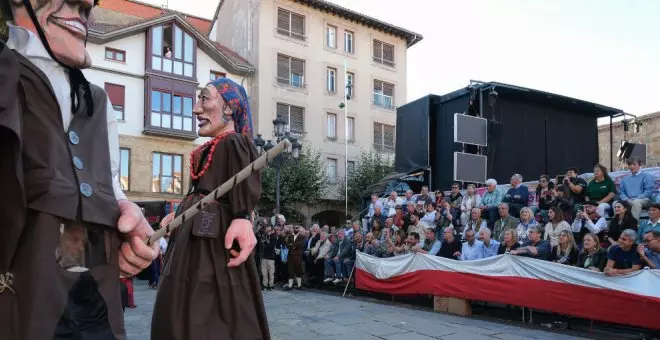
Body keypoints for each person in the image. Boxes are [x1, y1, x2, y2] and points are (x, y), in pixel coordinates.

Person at [0, 1, 158, 338]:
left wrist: (126, 216)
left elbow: (110, 186)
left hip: (93, 304)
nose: (87, 5)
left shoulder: (98, 103)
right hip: (20, 307)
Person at [151, 78, 270, 339]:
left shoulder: (233, 142)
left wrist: (241, 217)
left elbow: (244, 184)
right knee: (187, 295)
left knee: (209, 302)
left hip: (214, 242)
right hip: (193, 239)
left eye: (204, 99)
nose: (196, 109)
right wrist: (180, 214)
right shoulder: (209, 148)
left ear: (229, 108)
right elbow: (200, 194)